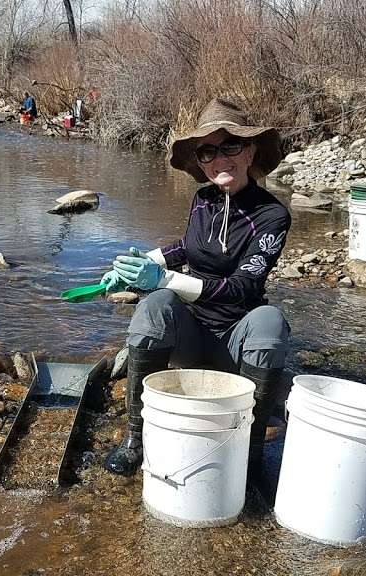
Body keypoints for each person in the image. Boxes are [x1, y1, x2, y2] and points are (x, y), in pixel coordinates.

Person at [100, 98, 291, 479]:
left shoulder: (272, 215)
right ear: (200, 161)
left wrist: (166, 279)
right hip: (190, 339)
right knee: (156, 305)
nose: (220, 159)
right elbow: (188, 247)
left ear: (251, 150)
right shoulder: (203, 199)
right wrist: (145, 263)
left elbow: (243, 285)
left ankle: (249, 452)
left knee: (270, 320)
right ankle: (135, 439)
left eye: (231, 146)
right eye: (208, 151)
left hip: (238, 344)